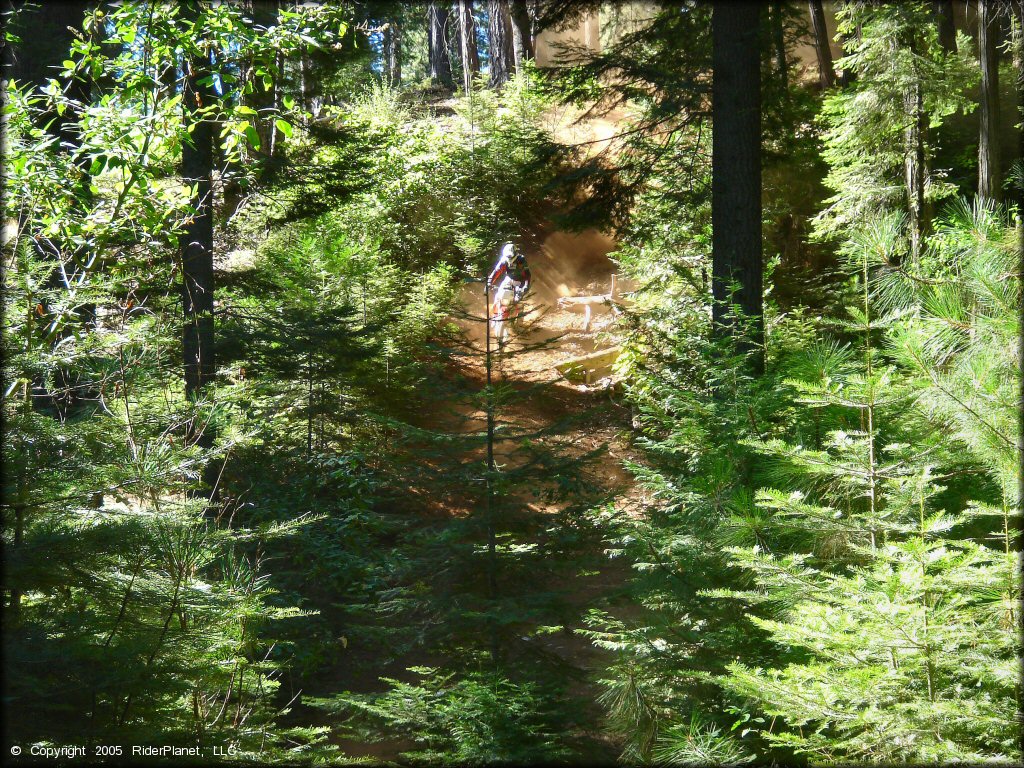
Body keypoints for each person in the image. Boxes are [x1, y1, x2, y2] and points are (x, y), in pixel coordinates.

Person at [488, 242, 531, 321]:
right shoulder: (504, 260)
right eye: (507, 255)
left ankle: (519, 320)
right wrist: (489, 283)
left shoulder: (521, 260)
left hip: (520, 281)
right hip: (509, 279)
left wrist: (526, 286)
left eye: (510, 255)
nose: (509, 257)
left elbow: (527, 274)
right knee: (499, 295)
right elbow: (496, 272)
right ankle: (494, 315)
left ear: (515, 253)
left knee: (519, 300)